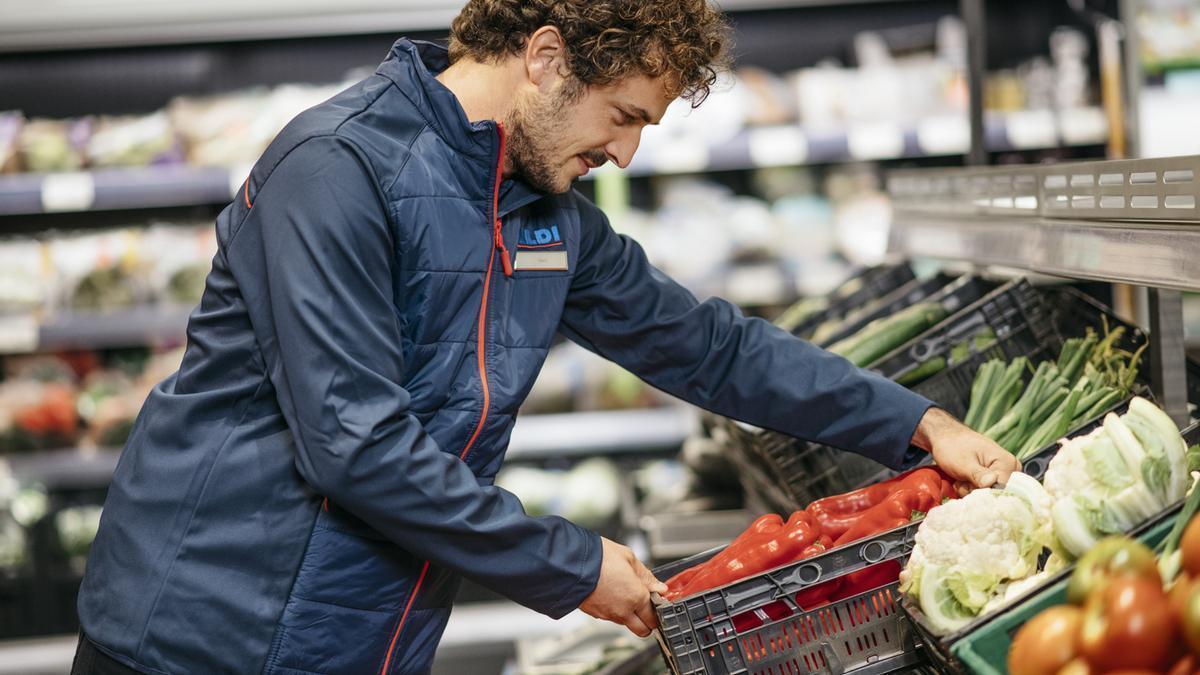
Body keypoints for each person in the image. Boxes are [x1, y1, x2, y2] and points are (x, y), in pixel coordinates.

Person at [73, 1, 1020, 673]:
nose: (626, 152)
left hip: (363, 638)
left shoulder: (545, 211)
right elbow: (356, 444)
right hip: (195, 635)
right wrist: (575, 568)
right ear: (546, 57)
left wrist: (918, 423)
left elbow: (709, 347)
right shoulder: (336, 169)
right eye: (624, 117)